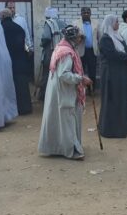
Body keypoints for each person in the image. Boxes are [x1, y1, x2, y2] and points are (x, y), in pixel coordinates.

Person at [38, 26, 92, 160]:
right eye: (79, 37)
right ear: (73, 38)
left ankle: (60, 147)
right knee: (67, 120)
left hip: (59, 89)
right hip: (64, 90)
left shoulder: (61, 48)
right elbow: (64, 74)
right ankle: (71, 150)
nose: (80, 40)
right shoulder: (66, 53)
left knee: (61, 119)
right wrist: (81, 79)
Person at [98, 14, 127, 138]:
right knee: (112, 99)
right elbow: (112, 55)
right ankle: (112, 129)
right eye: (116, 22)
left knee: (123, 99)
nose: (118, 24)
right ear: (110, 24)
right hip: (111, 74)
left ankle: (125, 127)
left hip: (121, 73)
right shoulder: (105, 39)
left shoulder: (118, 37)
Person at [0, 9, 32, 115]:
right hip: (21, 59)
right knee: (22, 85)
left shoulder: (1, 28)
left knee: (8, 86)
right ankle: (25, 108)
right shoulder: (19, 28)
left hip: (7, 60)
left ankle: (11, 109)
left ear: (2, 17)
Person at [38, 7, 67, 99]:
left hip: (51, 53)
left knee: (47, 73)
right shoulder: (63, 23)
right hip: (63, 53)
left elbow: (46, 37)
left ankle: (44, 95)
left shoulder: (48, 23)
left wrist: (42, 43)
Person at [74, 7, 101, 92]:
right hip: (80, 51)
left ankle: (91, 90)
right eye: (84, 13)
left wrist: (100, 48)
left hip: (92, 51)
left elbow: (99, 37)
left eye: (88, 13)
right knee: (80, 71)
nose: (86, 14)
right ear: (81, 14)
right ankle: (80, 89)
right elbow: (73, 38)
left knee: (92, 71)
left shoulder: (96, 23)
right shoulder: (75, 23)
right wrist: (80, 37)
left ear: (90, 14)